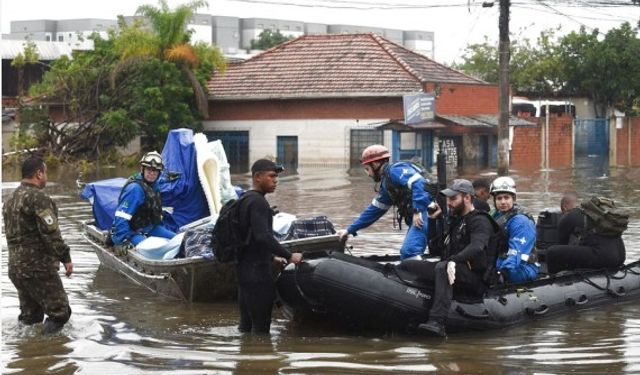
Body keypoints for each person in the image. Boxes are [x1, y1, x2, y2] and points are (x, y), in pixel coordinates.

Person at [2, 155, 73, 334]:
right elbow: (51, 233)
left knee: (31, 317)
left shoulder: (10, 199)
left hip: (16, 269)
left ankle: (27, 354)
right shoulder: (38, 198)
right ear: (38, 174)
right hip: (38, 268)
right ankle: (45, 350)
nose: (47, 177)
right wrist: (65, 257)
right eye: (46, 172)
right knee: (61, 312)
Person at [416, 179, 496, 337]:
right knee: (410, 265)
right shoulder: (456, 221)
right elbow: (435, 249)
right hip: (454, 271)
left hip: (476, 279)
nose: (449, 203)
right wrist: (433, 221)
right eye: (448, 199)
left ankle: (437, 322)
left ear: (467, 198)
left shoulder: (480, 220)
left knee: (442, 267)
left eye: (453, 199)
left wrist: (454, 260)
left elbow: (477, 246)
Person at [236, 159, 303, 334]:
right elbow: (263, 236)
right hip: (257, 276)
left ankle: (244, 360)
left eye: (276, 177)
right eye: (271, 176)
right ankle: (261, 359)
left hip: (243, 273)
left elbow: (248, 240)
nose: (275, 181)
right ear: (257, 177)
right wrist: (289, 256)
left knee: (245, 327)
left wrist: (272, 258)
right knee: (261, 332)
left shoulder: (244, 199)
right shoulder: (258, 202)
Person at [337, 145, 433, 261]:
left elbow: (419, 183)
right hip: (421, 214)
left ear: (376, 164)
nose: (368, 174)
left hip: (425, 212)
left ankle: (421, 276)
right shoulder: (387, 184)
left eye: (367, 169)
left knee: (409, 252)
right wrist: (349, 230)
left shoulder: (395, 171)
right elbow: (374, 211)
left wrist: (417, 210)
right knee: (408, 253)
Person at [111, 151, 176, 252]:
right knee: (153, 249)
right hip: (131, 232)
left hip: (149, 227)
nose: (152, 173)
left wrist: (167, 178)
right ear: (142, 169)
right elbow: (121, 217)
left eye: (155, 170)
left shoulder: (154, 183)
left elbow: (159, 180)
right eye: (149, 169)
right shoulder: (134, 189)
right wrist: (122, 240)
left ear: (159, 173)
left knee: (177, 240)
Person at [545, 193, 625, 273]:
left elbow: (561, 246)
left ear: (564, 207)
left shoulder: (567, 217)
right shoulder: (593, 214)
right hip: (621, 256)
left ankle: (553, 281)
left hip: (605, 257)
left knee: (552, 252)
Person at [490, 176, 539, 283]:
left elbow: (517, 252)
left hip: (521, 267)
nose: (503, 202)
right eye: (499, 198)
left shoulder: (521, 221)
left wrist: (502, 273)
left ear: (514, 199)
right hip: (500, 260)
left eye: (506, 197)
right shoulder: (495, 216)